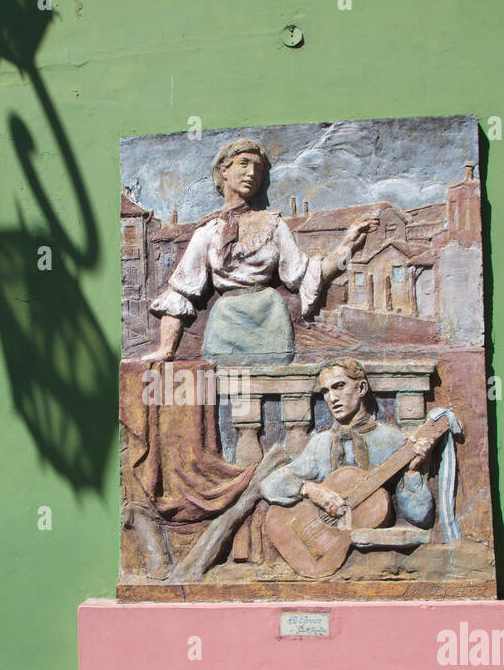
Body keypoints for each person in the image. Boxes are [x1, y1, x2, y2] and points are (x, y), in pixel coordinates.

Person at [143, 138, 375, 366]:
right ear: (224, 170)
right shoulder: (209, 230)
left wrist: (348, 246)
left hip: (270, 321)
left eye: (258, 168)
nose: (252, 173)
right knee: (227, 393)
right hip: (226, 324)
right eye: (244, 163)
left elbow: (304, 276)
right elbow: (182, 290)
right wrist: (166, 350)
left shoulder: (273, 225)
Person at [260, 358, 439, 527]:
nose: (332, 398)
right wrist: (310, 490)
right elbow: (269, 484)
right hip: (327, 544)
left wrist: (413, 473)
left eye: (338, 387)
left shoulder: (393, 440)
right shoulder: (321, 444)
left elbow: (421, 517)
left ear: (361, 388)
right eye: (326, 391)